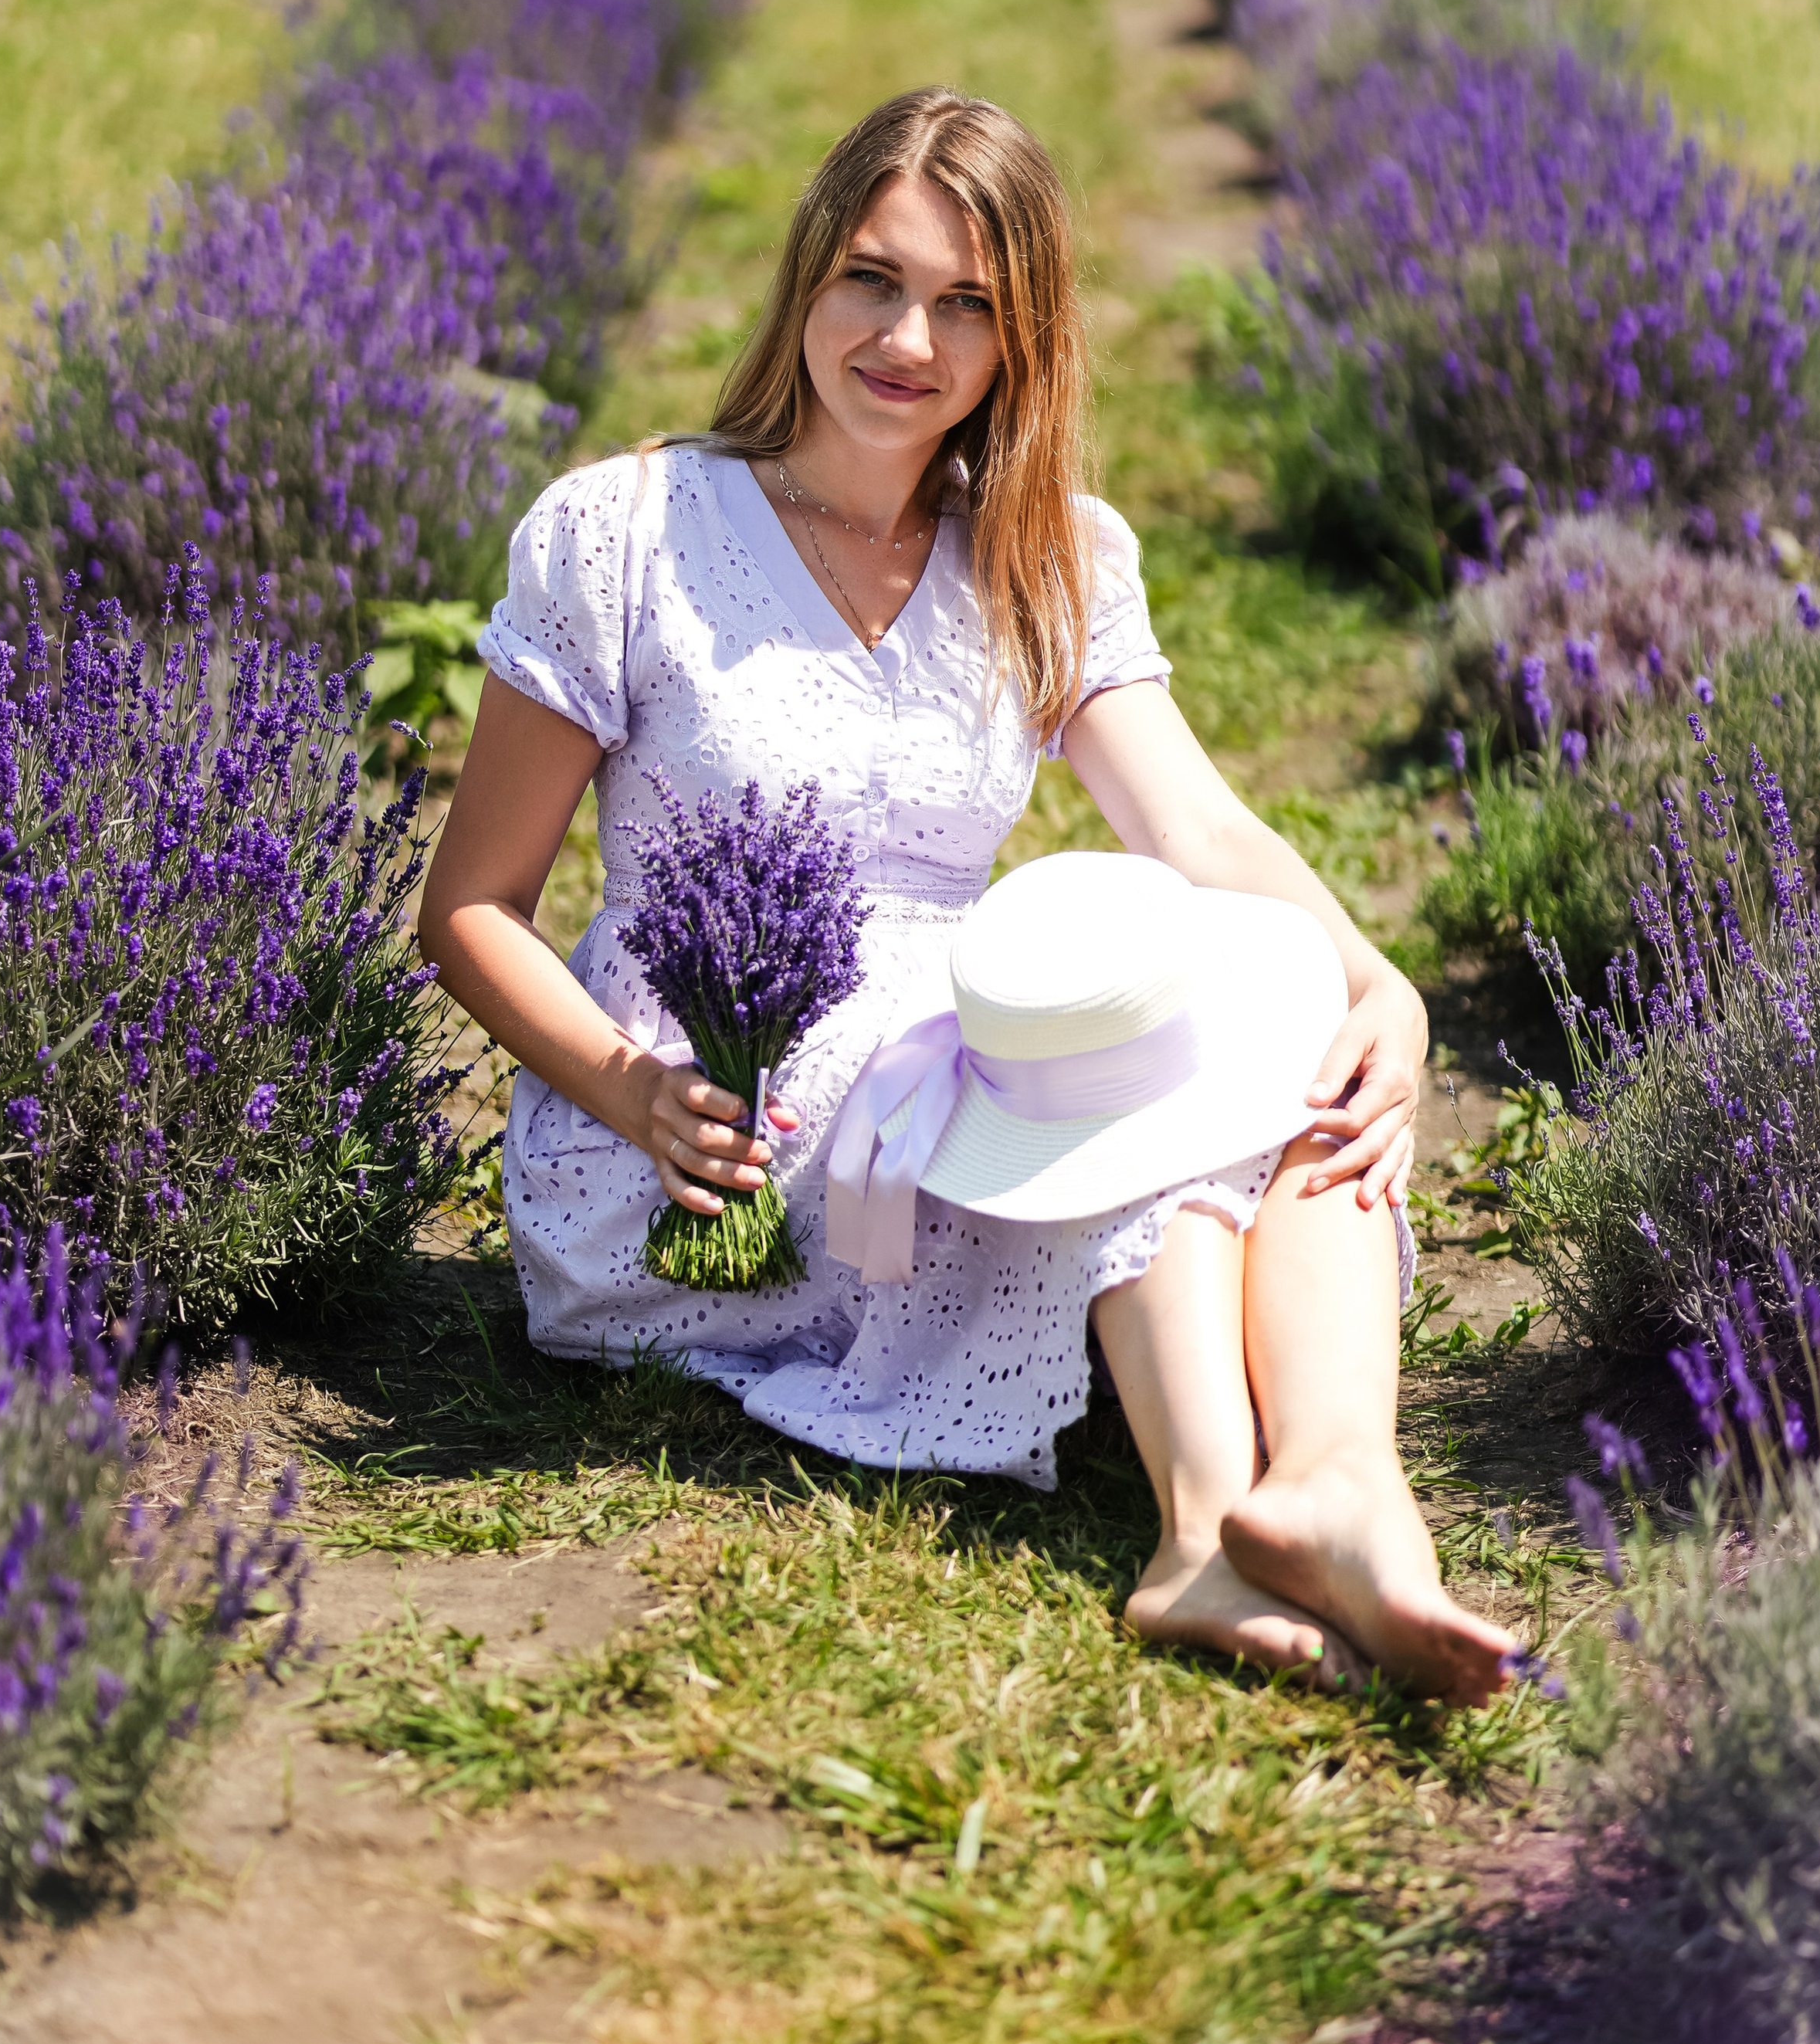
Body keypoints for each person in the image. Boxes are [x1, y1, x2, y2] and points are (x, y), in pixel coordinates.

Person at [419, 88, 1515, 1703]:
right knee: (1102, 1064)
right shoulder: (625, 530)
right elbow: (470, 908)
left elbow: (1200, 832)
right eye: (872, 279)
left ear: (1022, 341)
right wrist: (632, 1088)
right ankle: (1205, 1525)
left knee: (1276, 1001)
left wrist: (1377, 984)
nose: (905, 342)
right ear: (806, 274)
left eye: (964, 306)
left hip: (943, 1044)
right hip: (714, 1117)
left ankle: (1340, 1484)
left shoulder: (1041, 552)